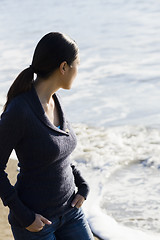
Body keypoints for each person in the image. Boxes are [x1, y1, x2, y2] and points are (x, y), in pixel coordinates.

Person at [0, 32, 94, 240]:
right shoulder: (20, 110)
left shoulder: (56, 101)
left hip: (71, 212)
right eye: (77, 64)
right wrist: (24, 216)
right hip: (37, 223)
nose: (78, 71)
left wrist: (82, 183)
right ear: (63, 67)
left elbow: (59, 153)